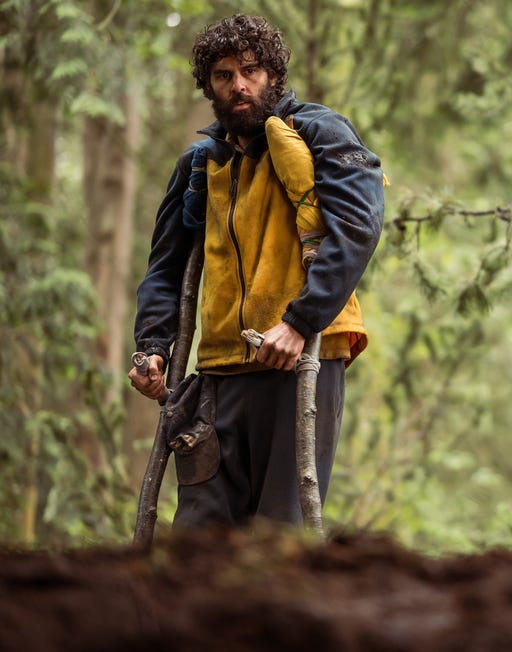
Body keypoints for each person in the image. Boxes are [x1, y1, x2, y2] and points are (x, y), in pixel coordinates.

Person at [129, 14, 385, 528]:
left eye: (250, 70)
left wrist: (300, 321)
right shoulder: (200, 163)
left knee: (278, 534)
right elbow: (165, 267)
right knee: (199, 535)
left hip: (302, 358)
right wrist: (152, 348)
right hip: (219, 372)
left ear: (274, 74)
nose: (239, 85)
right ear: (209, 86)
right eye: (223, 75)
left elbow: (359, 226)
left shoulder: (319, 131)